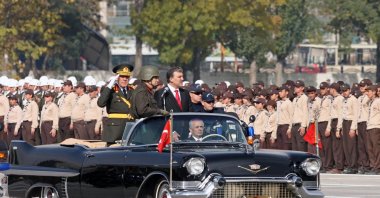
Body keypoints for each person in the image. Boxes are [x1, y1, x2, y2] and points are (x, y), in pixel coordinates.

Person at [97, 63, 135, 144]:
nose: (125, 79)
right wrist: (110, 85)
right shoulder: (110, 89)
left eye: (127, 77)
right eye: (122, 76)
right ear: (117, 77)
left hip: (130, 127)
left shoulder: (132, 90)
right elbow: (100, 103)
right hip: (114, 129)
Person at [341, 84, 359, 174]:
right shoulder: (343, 100)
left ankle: (353, 166)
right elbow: (342, 114)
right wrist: (340, 127)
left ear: (349, 90)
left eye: (346, 91)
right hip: (344, 122)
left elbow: (356, 115)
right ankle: (349, 165)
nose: (344, 93)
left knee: (352, 146)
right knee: (346, 146)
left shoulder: (353, 100)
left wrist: (353, 128)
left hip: (350, 122)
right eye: (343, 91)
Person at [327, 83, 345, 174]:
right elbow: (331, 114)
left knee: (338, 146)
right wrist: (329, 127)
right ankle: (337, 165)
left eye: (330, 89)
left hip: (338, 121)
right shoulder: (333, 99)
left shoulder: (340, 99)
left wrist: (338, 128)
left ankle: (340, 167)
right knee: (334, 146)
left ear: (334, 89)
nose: (329, 90)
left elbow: (341, 114)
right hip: (333, 121)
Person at [357, 79, 372, 174]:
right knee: (361, 146)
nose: (361, 87)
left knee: (368, 146)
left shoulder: (370, 97)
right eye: (360, 86)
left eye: (363, 86)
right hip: (360, 122)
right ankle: (364, 165)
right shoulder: (360, 98)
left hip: (367, 122)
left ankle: (371, 165)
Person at [365, 85, 380, 175]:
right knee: (370, 148)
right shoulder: (371, 102)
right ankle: (373, 166)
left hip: (376, 126)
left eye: (369, 91)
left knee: (376, 148)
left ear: (374, 92)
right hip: (369, 126)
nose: (367, 93)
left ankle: (377, 167)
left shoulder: (378, 101)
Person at [291, 80, 308, 152]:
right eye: (295, 87)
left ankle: (302, 163)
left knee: (301, 147)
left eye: (298, 87)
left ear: (302, 88)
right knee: (294, 148)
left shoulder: (304, 98)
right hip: (294, 125)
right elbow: (292, 114)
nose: (295, 88)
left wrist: (303, 126)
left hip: (300, 125)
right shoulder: (295, 99)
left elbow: (305, 112)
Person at [276, 85, 294, 150]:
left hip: (285, 126)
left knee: (285, 146)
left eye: (281, 91)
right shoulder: (279, 103)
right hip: (279, 126)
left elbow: (292, 116)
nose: (279, 93)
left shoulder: (289, 103)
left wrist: (290, 128)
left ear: (286, 92)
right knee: (279, 147)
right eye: (279, 91)